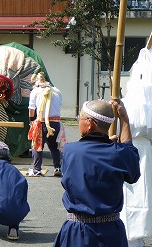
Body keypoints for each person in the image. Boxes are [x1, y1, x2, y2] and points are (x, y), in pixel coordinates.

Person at [53, 99, 141, 247]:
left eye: (79, 118)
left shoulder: (70, 151)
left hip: (78, 231)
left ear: (90, 123)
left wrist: (108, 146)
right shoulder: (120, 154)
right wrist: (124, 119)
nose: (78, 121)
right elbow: (131, 160)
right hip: (112, 232)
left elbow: (86, 155)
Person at [120, 43, 152, 247]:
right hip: (135, 148)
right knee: (135, 192)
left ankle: (135, 236)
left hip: (138, 148)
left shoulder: (133, 100)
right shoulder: (130, 99)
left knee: (139, 193)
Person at [27, 71, 65, 177]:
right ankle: (57, 167)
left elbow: (31, 109)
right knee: (54, 146)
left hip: (41, 121)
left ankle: (37, 169)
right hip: (56, 122)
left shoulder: (35, 91)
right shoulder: (57, 91)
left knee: (37, 145)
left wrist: (31, 122)